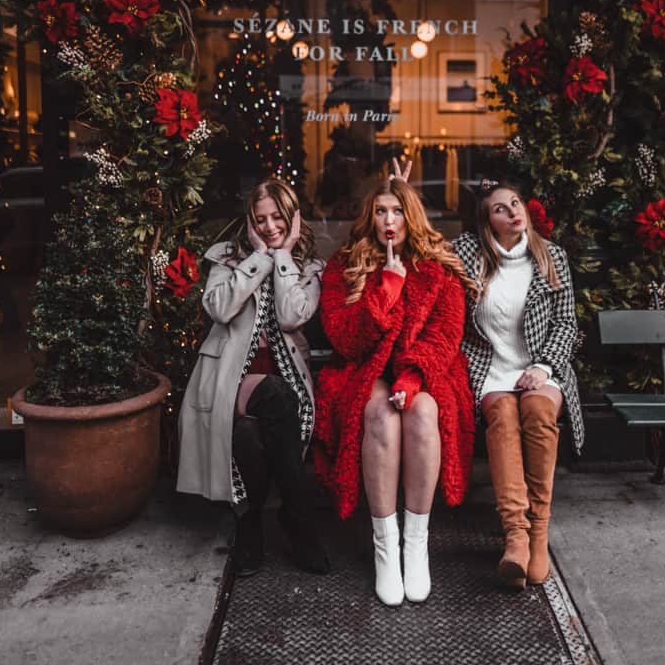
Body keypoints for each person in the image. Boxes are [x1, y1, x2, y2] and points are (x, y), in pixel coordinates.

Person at [313, 175, 475, 606]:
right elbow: (344, 339)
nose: (389, 220)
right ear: (370, 215)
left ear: (412, 216)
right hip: (359, 372)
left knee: (422, 414)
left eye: (398, 210)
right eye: (381, 210)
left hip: (422, 374)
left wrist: (413, 376)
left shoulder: (438, 268)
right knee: (381, 416)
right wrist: (386, 287)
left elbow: (446, 334)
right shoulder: (344, 265)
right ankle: (386, 547)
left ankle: (415, 544)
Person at [177, 177, 329, 576]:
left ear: (293, 218)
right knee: (274, 395)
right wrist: (259, 258)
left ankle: (250, 530)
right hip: (231, 379)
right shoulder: (228, 257)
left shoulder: (309, 266)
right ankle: (300, 523)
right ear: (249, 221)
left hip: (285, 382)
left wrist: (282, 257)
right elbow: (220, 309)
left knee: (249, 434)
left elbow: (291, 315)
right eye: (260, 219)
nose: (269, 226)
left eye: (277, 217)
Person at [454, 181, 584, 589]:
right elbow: (423, 246)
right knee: (503, 416)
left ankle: (538, 532)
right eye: (499, 209)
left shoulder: (551, 256)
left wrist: (544, 367)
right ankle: (516, 538)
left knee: (539, 410)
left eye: (515, 203)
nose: (513, 212)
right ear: (486, 222)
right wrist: (400, 193)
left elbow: (566, 324)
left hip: (542, 368)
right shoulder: (469, 254)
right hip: (492, 369)